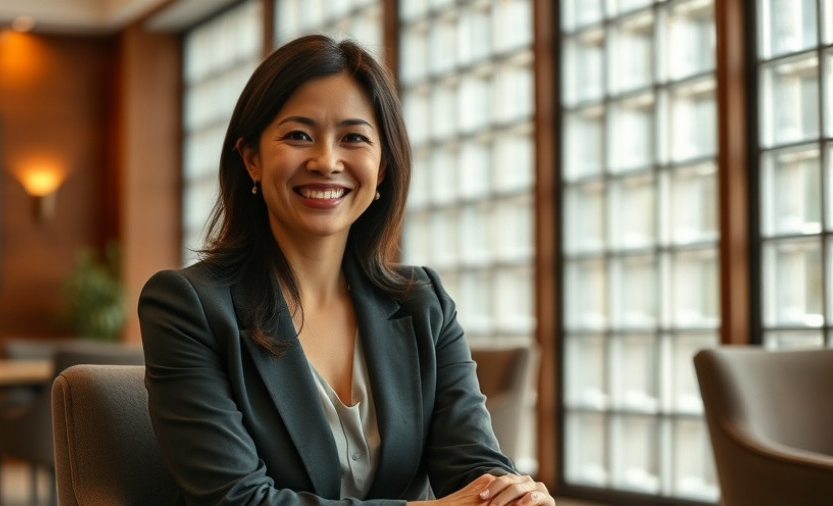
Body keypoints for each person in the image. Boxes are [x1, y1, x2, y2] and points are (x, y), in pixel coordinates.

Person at [138, 34, 556, 506]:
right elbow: (236, 501)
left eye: (353, 138)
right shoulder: (186, 306)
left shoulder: (422, 301)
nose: (326, 161)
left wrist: (511, 496)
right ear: (251, 159)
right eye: (298, 135)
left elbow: (474, 464)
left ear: (381, 169)